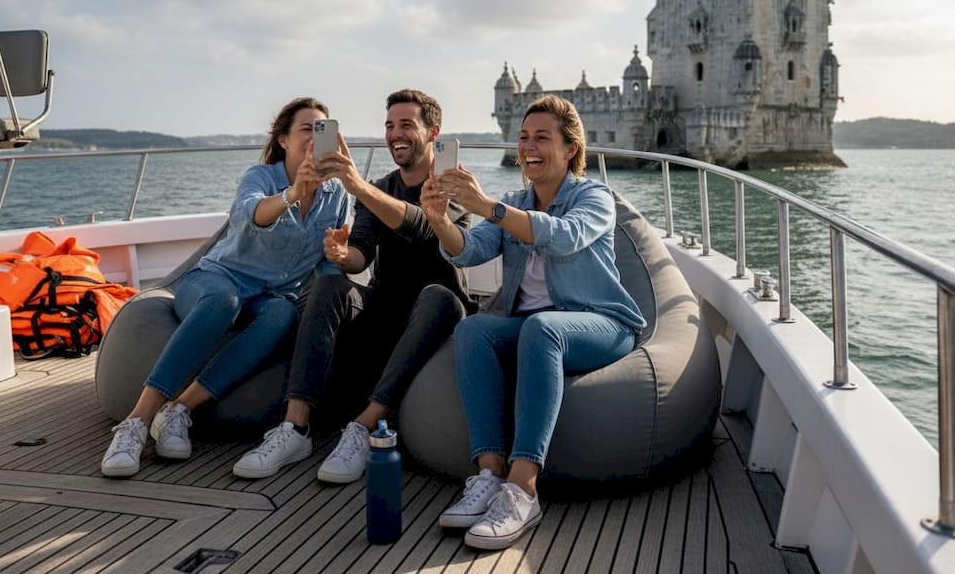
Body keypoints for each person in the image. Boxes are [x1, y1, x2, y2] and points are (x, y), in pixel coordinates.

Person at [421, 94, 645, 550]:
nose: (528, 146)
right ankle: (488, 474)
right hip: (534, 329)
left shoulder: (594, 196)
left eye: (542, 137)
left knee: (543, 327)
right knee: (473, 329)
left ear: (570, 149)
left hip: (603, 324)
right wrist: (439, 220)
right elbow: (470, 249)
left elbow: (564, 237)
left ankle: (523, 490)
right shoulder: (513, 199)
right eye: (523, 137)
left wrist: (488, 207)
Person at [231, 89, 473, 481]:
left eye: (407, 125)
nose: (396, 134)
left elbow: (425, 227)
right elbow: (361, 251)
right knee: (330, 284)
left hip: (435, 312)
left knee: (439, 296)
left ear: (433, 133)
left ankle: (362, 428)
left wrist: (358, 186)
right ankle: (295, 428)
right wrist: (342, 255)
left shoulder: (452, 184)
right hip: (385, 306)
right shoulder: (380, 185)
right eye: (390, 126)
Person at [100, 98, 349, 478]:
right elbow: (248, 215)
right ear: (283, 139)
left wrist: (340, 252)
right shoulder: (261, 177)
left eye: (323, 130)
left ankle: (180, 409)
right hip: (215, 280)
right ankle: (136, 422)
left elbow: (331, 266)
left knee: (283, 313)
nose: (315, 138)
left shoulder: (338, 197)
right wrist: (293, 193)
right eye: (306, 129)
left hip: (270, 297)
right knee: (222, 301)